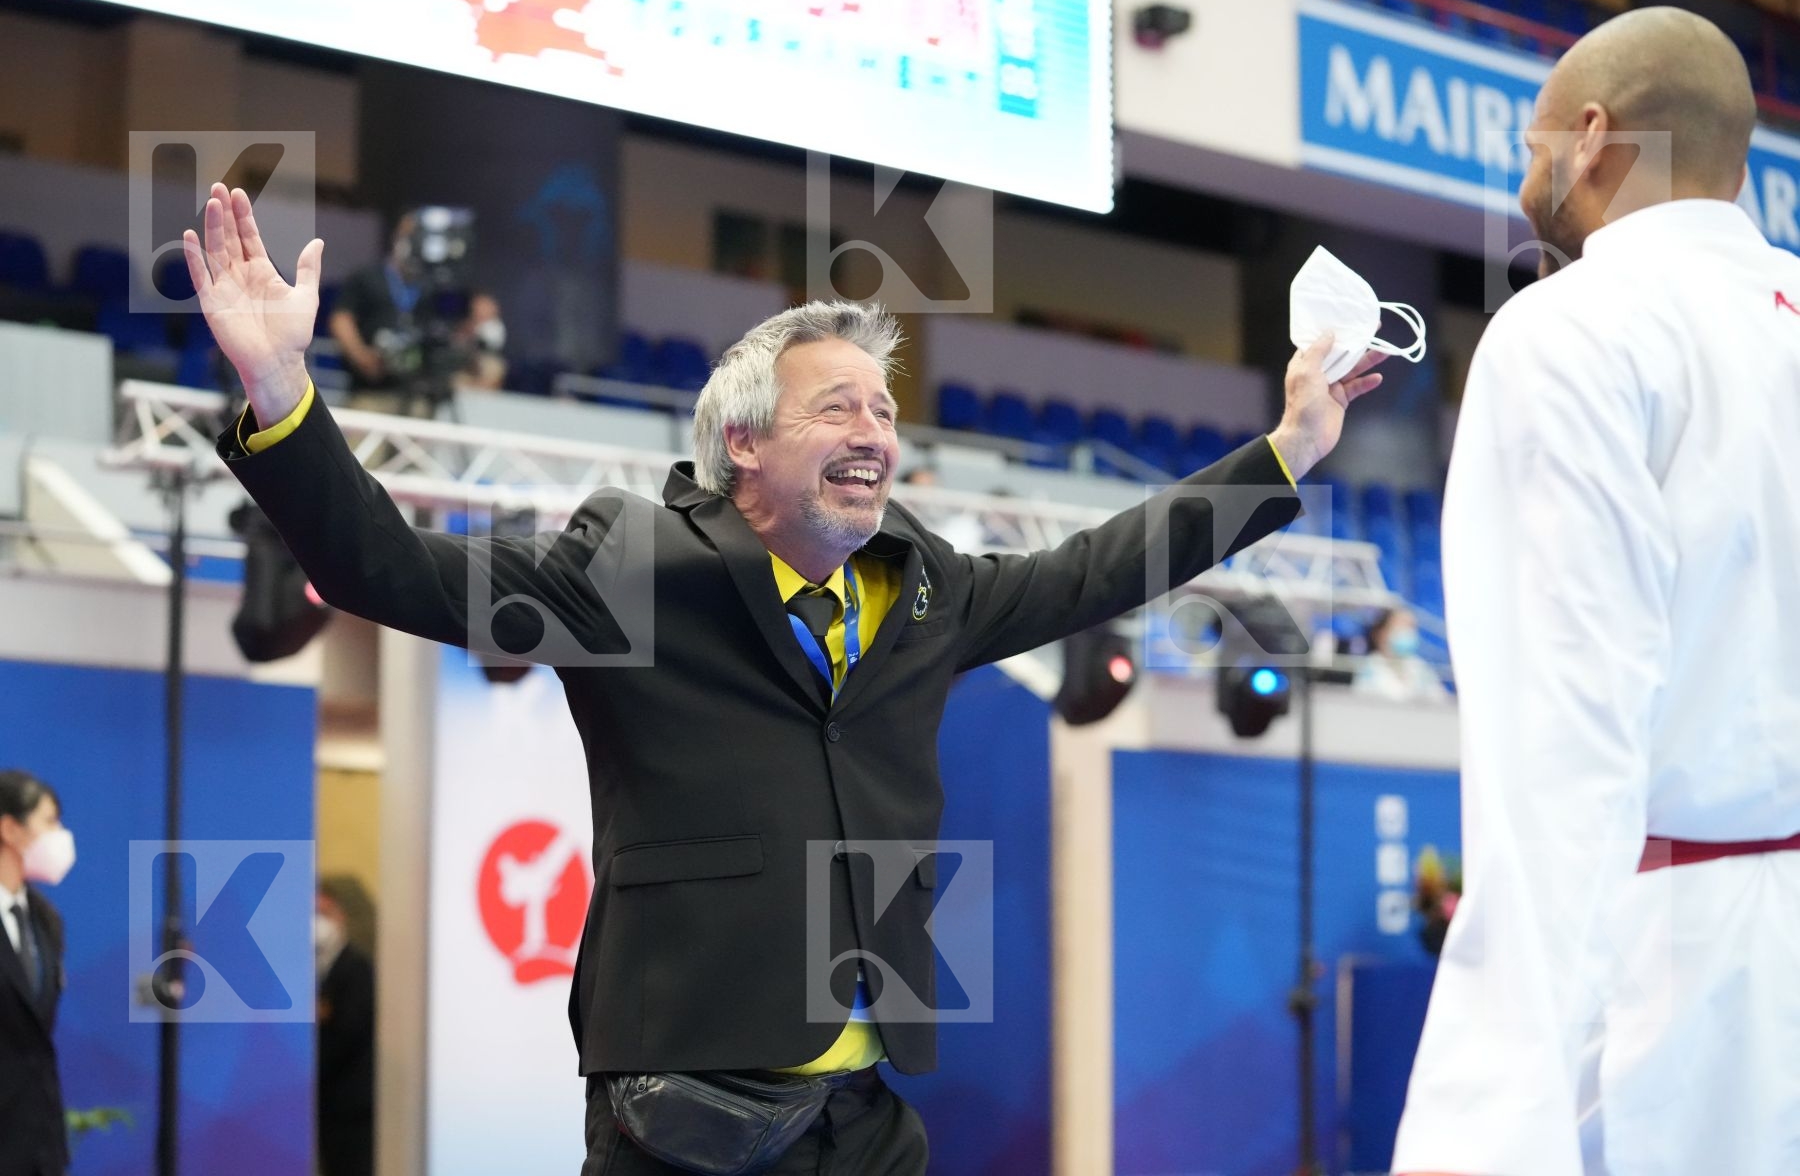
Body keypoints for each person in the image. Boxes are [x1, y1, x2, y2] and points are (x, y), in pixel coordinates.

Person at [182, 181, 1382, 1174]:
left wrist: (1285, 455)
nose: (875, 431)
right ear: (743, 441)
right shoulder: (632, 572)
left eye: (884, 409)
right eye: (837, 408)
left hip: (864, 1112)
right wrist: (283, 393)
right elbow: (382, 565)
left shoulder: (930, 590)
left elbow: (1102, 567)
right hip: (684, 1111)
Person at [1393, 7, 1800, 1176]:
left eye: (1530, 149)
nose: (1527, 177)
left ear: (1590, 137)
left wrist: (1485, 1123)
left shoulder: (1571, 331)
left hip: (1669, 984)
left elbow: (1561, 749)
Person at [329, 213, 506, 414]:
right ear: (398, 238)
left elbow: (452, 330)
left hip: (420, 397)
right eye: (412, 235)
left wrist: (476, 321)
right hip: (371, 394)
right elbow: (341, 320)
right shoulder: (367, 277)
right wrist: (362, 357)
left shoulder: (434, 285)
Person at [0, 770, 74, 1176]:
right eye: (49, 821)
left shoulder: (47, 922)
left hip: (39, 1145)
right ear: (10, 828)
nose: (60, 835)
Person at [315, 878, 376, 1176]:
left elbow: (349, 1031)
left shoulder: (356, 968)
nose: (319, 924)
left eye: (325, 914)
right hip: (329, 1105)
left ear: (342, 916)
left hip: (353, 1107)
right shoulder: (316, 970)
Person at [1352, 607, 1447, 703]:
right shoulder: (1369, 670)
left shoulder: (1421, 669)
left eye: (1410, 627)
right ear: (1381, 633)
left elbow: (1439, 701)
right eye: (1400, 627)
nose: (1407, 633)